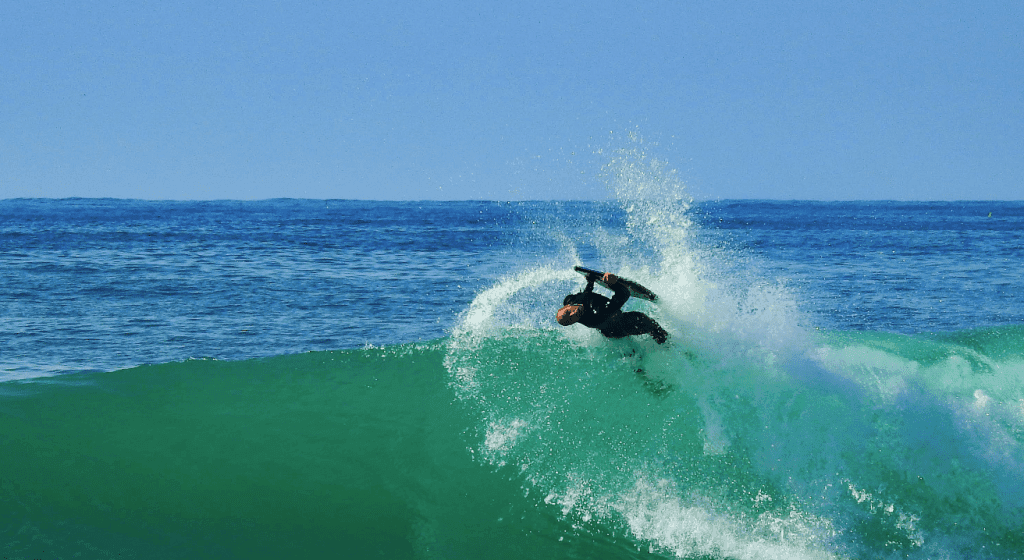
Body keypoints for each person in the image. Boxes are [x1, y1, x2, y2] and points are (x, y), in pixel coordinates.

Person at [556, 272, 669, 344]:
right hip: (621, 325)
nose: (573, 315)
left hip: (608, 331)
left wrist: (590, 282)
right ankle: (669, 346)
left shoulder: (570, 300)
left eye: (568, 313)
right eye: (571, 319)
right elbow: (624, 294)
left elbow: (585, 296)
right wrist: (613, 283)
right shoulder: (598, 314)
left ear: (567, 306)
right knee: (645, 322)